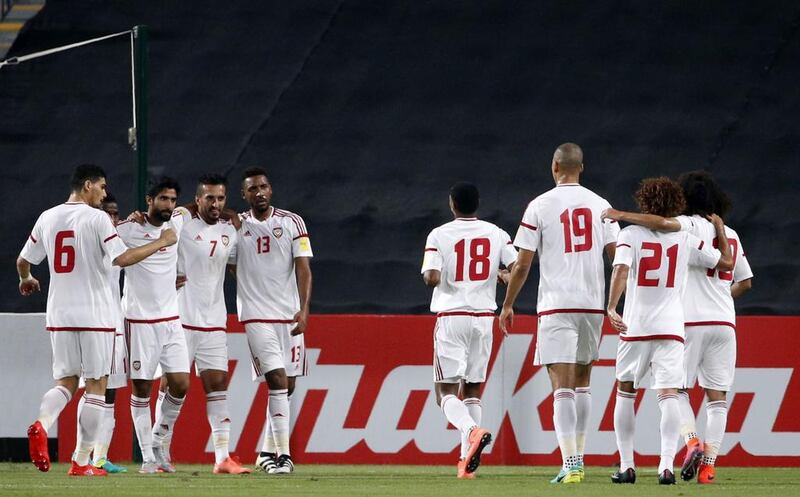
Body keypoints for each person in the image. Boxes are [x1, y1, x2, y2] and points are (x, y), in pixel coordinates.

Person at [18, 164, 176, 476]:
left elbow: (23, 260)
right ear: (88, 185)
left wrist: (26, 279)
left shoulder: (47, 216)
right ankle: (80, 462)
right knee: (95, 386)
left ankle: (42, 423)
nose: (104, 194)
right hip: (96, 315)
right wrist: (162, 242)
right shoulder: (97, 218)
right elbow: (123, 257)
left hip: (59, 314)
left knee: (65, 383)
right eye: (102, 187)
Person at [602, 170, 753, 484]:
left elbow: (624, 265)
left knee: (630, 392)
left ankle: (654, 454)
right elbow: (736, 272)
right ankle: (684, 466)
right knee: (706, 398)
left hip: (657, 322)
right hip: (698, 324)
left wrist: (611, 306)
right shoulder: (713, 236)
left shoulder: (675, 227)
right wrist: (721, 231)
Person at [499, 143, 619, 483]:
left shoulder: (539, 205)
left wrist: (508, 304)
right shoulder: (600, 205)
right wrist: (617, 301)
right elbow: (617, 257)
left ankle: (571, 463)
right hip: (592, 304)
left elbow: (523, 263)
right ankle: (578, 457)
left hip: (556, 303)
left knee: (560, 386)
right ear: (582, 167)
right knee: (583, 382)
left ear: (555, 166)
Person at [421, 182, 517, 479]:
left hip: (453, 316)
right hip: (484, 317)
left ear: (452, 204)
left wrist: (436, 272)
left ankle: (471, 431)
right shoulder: (497, 233)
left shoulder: (439, 234)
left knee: (445, 393)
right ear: (478, 203)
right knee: (473, 389)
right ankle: (466, 462)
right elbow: (517, 268)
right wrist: (499, 273)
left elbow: (431, 277)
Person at [231, 167, 312, 474]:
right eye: (253, 189)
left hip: (288, 315)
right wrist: (250, 287)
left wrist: (303, 310)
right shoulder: (237, 225)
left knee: (287, 385)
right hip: (255, 316)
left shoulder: (292, 222)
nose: (260, 192)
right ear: (245, 195)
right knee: (276, 379)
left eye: (263, 186)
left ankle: (266, 451)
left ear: (271, 189)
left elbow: (303, 268)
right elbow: (229, 264)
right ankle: (283, 457)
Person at [171, 174, 250, 474]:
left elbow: (234, 268)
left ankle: (222, 458)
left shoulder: (230, 230)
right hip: (180, 319)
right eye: (210, 198)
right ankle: (159, 452)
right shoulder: (183, 222)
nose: (216, 204)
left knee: (217, 385)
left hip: (214, 320)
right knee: (174, 387)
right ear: (198, 198)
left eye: (220, 198)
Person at [116, 177, 191, 474]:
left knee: (181, 384)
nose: (168, 205)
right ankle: (147, 457)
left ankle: (158, 439)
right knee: (142, 388)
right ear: (149, 200)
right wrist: (129, 221)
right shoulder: (128, 230)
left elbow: (194, 207)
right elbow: (115, 256)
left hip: (171, 320)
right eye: (162, 199)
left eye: (172, 200)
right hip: (140, 320)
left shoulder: (178, 220)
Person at [73, 193, 129, 474]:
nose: (112, 218)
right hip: (93, 323)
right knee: (92, 390)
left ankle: (99, 458)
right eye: (107, 212)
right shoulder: (88, 239)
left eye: (116, 214)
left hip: (115, 324)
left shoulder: (117, 239)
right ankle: (80, 456)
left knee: (110, 392)